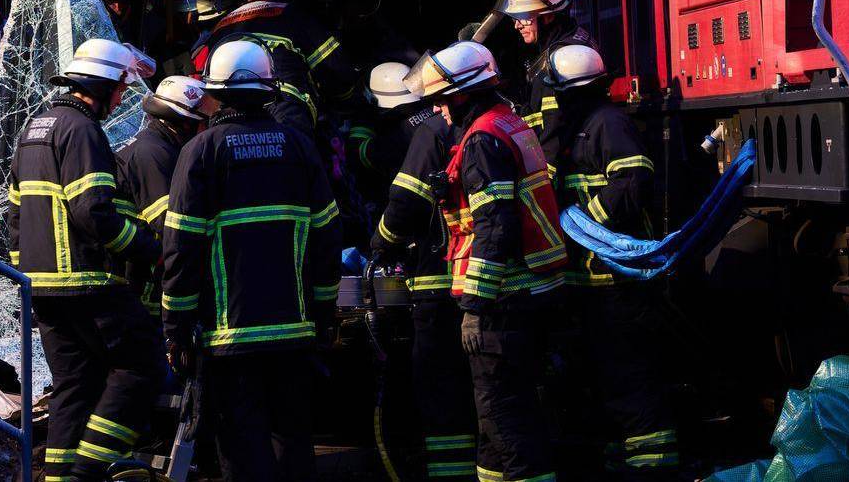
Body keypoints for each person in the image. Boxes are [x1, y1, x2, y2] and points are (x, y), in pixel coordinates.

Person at [163, 39, 342, 482]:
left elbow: (181, 247)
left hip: (230, 339)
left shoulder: (201, 152)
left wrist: (176, 328)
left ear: (216, 91)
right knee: (293, 445)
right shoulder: (300, 147)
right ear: (270, 88)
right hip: (295, 333)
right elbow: (326, 235)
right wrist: (324, 312)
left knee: (243, 451)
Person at [8, 39, 162, 482]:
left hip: (41, 288)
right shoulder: (82, 130)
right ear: (103, 85)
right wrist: (149, 248)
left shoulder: (35, 127)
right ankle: (88, 473)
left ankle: (58, 479)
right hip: (87, 283)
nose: (119, 100)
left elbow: (16, 216)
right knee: (141, 366)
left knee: (74, 384)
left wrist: (29, 276)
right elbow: (93, 211)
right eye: (119, 90)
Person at [418, 40, 567, 482]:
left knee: (506, 420)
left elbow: (495, 227)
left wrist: (474, 309)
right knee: (494, 426)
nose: (439, 110)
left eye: (442, 100)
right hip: (528, 293)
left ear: (462, 94)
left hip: (503, 301)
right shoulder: (507, 123)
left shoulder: (482, 139)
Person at [542, 45, 677, 477]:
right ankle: (619, 460)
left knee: (629, 376)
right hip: (589, 286)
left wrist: (583, 227)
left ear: (576, 91)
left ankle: (652, 466)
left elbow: (633, 181)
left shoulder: (608, 123)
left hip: (617, 284)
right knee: (600, 377)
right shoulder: (577, 128)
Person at [363, 61, 477, 479]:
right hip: (478, 279)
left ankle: (449, 473)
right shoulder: (484, 122)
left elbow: (405, 203)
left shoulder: (418, 133)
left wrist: (380, 242)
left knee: (439, 386)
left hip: (434, 280)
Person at [192, 0, 354, 135]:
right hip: (284, 107)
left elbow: (203, 79)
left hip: (231, 112)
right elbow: (335, 70)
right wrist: (346, 103)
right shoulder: (294, 15)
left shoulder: (220, 27)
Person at [115, 76, 209, 311]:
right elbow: (172, 226)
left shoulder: (161, 145)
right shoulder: (154, 153)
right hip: (143, 290)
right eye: (204, 122)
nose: (207, 130)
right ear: (184, 122)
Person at [495, 0, 593, 139]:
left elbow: (555, 127)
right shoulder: (568, 37)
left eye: (524, 17)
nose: (517, 26)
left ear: (547, 16)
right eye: (514, 18)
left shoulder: (563, 59)